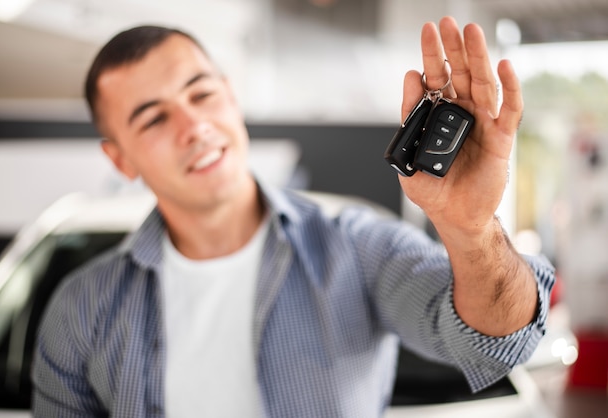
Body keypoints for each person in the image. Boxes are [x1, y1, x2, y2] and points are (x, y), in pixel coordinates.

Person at [32, 15, 554, 417]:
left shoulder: (357, 246)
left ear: (230, 96)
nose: (194, 126)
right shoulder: (81, 310)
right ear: (119, 158)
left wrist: (471, 229)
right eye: (154, 118)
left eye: (202, 94)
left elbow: (499, 342)